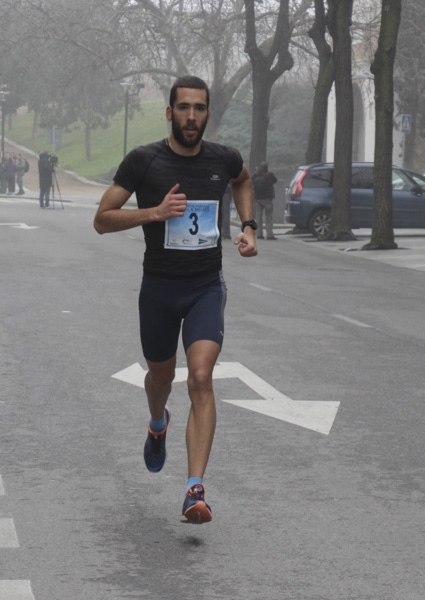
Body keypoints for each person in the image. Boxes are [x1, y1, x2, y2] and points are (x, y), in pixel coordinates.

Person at [93, 75, 257, 524]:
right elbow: (102, 219)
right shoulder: (144, 161)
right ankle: (157, 423)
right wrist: (155, 212)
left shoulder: (224, 159)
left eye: (199, 109)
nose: (191, 117)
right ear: (170, 112)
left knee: (201, 378)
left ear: (208, 113)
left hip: (205, 286)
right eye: (183, 108)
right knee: (160, 379)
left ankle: (194, 490)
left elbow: (243, 182)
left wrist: (248, 227)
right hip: (159, 290)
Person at [251, 161, 278, 240]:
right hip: (267, 198)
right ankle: (269, 234)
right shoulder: (269, 174)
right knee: (269, 216)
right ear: (267, 167)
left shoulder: (255, 175)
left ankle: (259, 234)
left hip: (258, 198)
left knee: (258, 216)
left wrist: (256, 172)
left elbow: (251, 180)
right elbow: (275, 180)